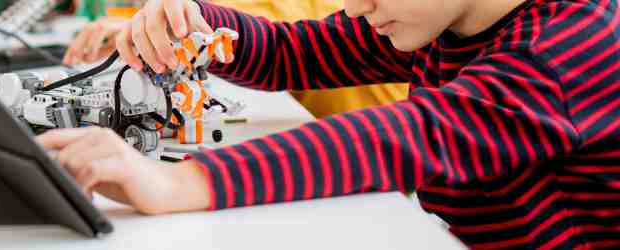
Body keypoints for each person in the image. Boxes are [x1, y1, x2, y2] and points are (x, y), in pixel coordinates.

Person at [38, 0, 619, 248]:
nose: (357, 4)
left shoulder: (572, 44)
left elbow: (406, 137)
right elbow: (296, 50)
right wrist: (196, 21)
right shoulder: (441, 20)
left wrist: (177, 183)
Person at [64, 0, 410, 119]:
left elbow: (281, 30)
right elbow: (283, 51)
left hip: (363, 154)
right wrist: (191, 15)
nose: (356, 7)